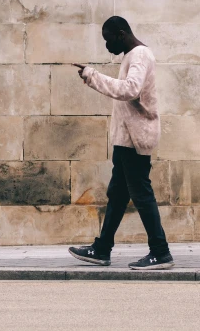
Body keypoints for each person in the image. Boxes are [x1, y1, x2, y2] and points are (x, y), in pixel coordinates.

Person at [68, 16, 174, 270]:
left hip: (135, 139)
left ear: (121, 33)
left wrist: (93, 76)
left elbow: (130, 89)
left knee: (141, 193)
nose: (107, 47)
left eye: (108, 40)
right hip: (127, 139)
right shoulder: (133, 55)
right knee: (117, 194)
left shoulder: (140, 55)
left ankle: (160, 251)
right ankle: (102, 249)